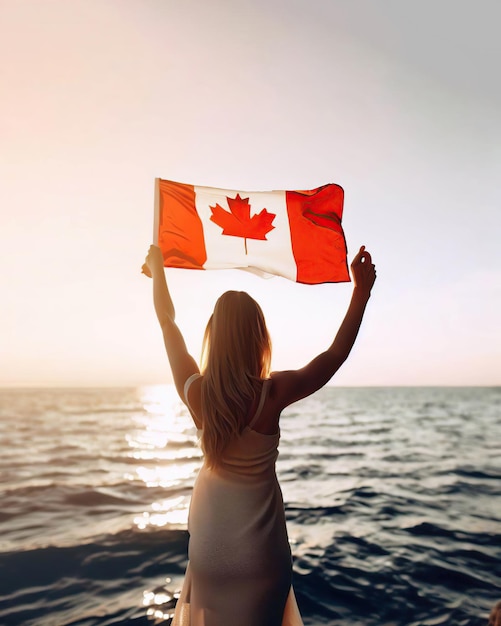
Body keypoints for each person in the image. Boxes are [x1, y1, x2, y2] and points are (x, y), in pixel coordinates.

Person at [142, 244, 376, 626]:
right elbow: (335, 355)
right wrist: (360, 294)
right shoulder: (273, 392)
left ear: (212, 336)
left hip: (211, 554)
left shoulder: (197, 393)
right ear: (258, 338)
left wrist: (158, 272)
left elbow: (168, 322)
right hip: (261, 557)